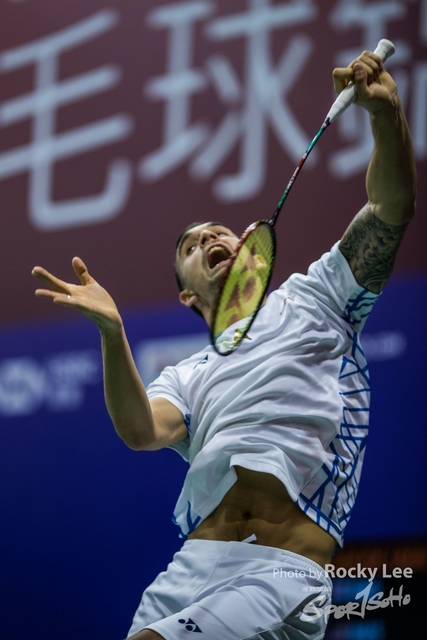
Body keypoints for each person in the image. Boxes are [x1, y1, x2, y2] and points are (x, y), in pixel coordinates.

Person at [32, 49, 416, 640]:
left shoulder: (316, 298)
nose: (207, 238)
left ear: (249, 252)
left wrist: (386, 115)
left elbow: (391, 208)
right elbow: (141, 430)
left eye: (218, 231)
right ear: (187, 293)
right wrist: (113, 333)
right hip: (191, 568)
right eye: (190, 246)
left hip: (280, 570)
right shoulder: (187, 375)